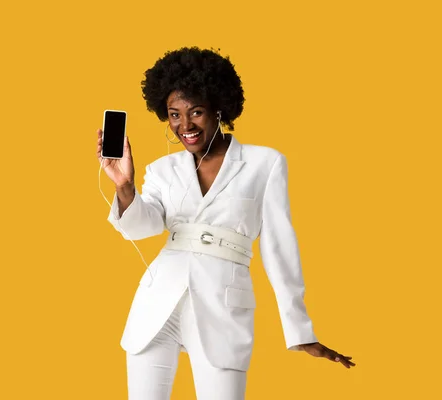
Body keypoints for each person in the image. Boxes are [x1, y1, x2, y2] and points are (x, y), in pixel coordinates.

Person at [96, 47, 355, 400]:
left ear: (219, 109)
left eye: (196, 112)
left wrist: (299, 329)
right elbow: (142, 227)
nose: (184, 126)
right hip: (157, 308)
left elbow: (279, 248)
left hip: (223, 308)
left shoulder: (265, 163)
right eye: (174, 115)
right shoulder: (162, 169)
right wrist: (124, 185)